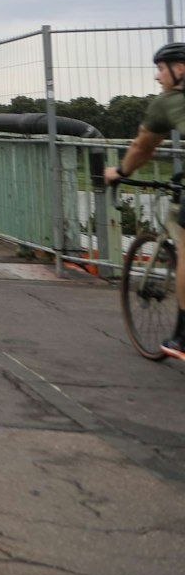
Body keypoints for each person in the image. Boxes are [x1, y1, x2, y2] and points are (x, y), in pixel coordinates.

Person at [103, 41, 185, 359]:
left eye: (160, 69)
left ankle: (183, 336)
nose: (157, 76)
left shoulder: (169, 101)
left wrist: (119, 172)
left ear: (179, 69)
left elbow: (142, 147)